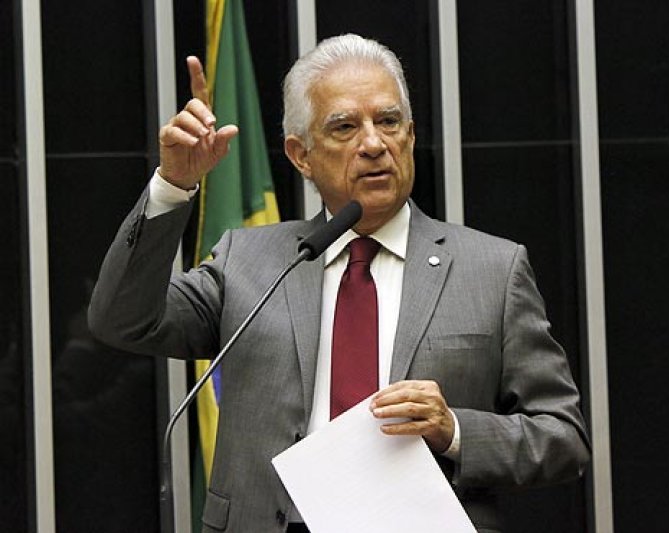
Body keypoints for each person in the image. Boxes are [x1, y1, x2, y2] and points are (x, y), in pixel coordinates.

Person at [89, 34, 590, 532]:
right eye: (345, 127)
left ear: (410, 135)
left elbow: (562, 438)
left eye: (388, 121)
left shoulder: (493, 270)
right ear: (300, 155)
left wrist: (454, 429)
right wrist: (173, 186)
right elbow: (124, 320)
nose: (373, 144)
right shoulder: (248, 261)